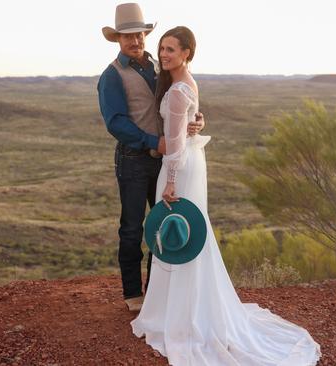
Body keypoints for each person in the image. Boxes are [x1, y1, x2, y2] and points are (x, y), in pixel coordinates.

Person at [131, 26, 322, 365]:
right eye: (162, 49)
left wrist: (170, 180)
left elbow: (174, 144)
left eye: (171, 49)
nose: (164, 54)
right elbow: (187, 123)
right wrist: (196, 121)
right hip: (194, 162)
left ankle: (175, 314)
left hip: (180, 167)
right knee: (190, 231)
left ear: (187, 52)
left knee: (176, 229)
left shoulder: (176, 90)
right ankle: (190, 307)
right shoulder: (187, 82)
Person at [98, 3, 204, 312]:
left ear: (145, 34)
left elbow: (182, 102)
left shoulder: (160, 67)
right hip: (133, 159)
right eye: (127, 37)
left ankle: (157, 289)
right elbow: (115, 123)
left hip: (163, 161)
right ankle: (133, 294)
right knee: (132, 227)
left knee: (162, 223)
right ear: (118, 38)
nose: (135, 42)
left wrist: (196, 119)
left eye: (139, 35)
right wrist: (153, 140)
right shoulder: (112, 75)